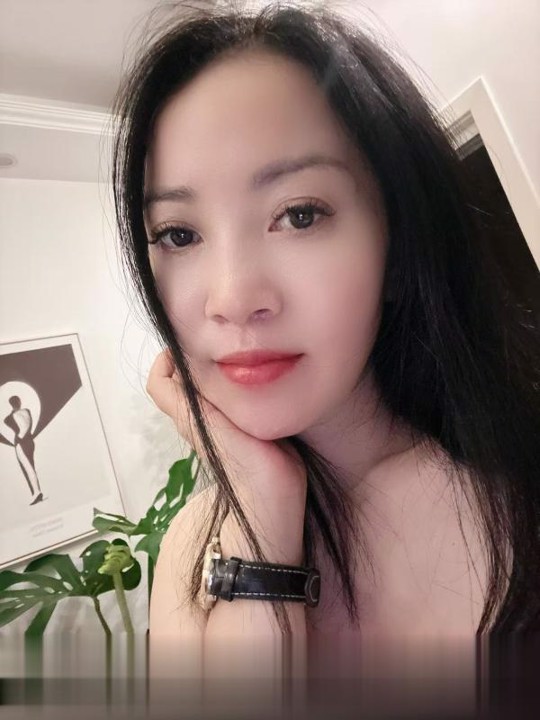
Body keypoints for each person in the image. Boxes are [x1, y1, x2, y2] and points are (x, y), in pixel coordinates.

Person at [110, 0, 540, 703]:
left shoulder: (514, 491)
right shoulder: (193, 550)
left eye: (299, 214)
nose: (231, 298)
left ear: (398, 249)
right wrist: (260, 501)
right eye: (179, 235)